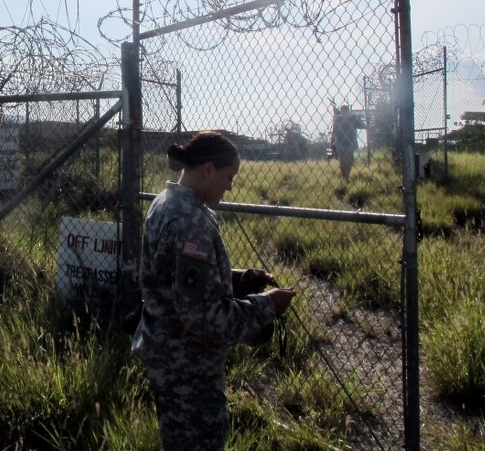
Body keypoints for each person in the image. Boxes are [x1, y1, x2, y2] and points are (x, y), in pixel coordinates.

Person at [131, 130, 296, 450]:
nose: (231, 186)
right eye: (229, 176)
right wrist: (266, 306)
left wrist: (239, 279)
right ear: (207, 169)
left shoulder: (165, 202)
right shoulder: (191, 221)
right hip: (188, 367)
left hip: (166, 355)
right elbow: (202, 316)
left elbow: (175, 279)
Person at [331, 104, 366, 180]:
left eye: (345, 111)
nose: (344, 113)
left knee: (350, 162)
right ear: (341, 112)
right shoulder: (338, 120)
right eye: (342, 111)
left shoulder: (352, 119)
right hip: (340, 143)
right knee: (343, 161)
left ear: (348, 112)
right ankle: (345, 178)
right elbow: (334, 131)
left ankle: (346, 177)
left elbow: (363, 126)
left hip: (350, 143)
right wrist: (331, 143)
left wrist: (356, 117)